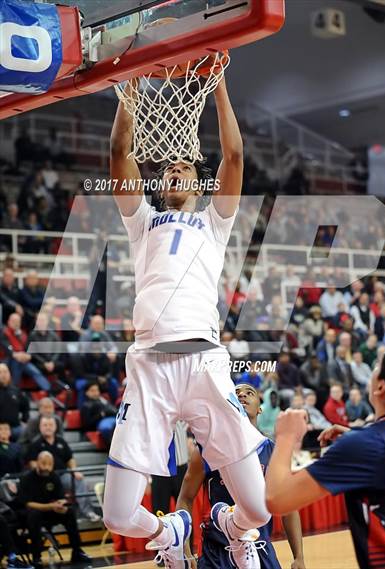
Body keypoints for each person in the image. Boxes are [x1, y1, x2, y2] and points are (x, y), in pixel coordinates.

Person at [103, 75, 270, 569]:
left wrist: (218, 82)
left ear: (199, 183)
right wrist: (130, 90)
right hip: (150, 366)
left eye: (184, 167)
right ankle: (170, 530)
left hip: (204, 364)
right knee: (117, 514)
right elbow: (118, 150)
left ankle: (229, 526)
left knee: (258, 511)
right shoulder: (142, 222)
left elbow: (234, 158)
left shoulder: (215, 224)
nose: (175, 171)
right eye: (168, 167)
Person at [265, 335, 385, 569]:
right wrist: (354, 436)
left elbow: (276, 500)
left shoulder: (365, 446)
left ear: (380, 387)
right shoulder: (371, 443)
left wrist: (286, 437)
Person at [176, 384, 306, 569]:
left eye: (249, 393)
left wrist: (299, 556)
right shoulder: (206, 449)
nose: (243, 395)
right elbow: (185, 499)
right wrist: (185, 551)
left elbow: (288, 507)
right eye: (236, 394)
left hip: (259, 546)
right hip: (217, 553)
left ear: (260, 408)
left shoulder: (272, 450)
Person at [17, 451, 91, 569]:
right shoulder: (27, 478)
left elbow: (60, 498)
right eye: (44, 463)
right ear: (37, 462)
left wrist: (62, 505)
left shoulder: (54, 476)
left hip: (51, 511)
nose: (47, 467)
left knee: (69, 512)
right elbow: (28, 504)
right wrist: (51, 507)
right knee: (34, 516)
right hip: (33, 511)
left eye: (50, 464)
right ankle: (37, 557)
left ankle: (77, 551)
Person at [25, 417, 99, 522]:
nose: (48, 427)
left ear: (55, 427)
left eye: (50, 425)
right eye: (45, 425)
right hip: (46, 477)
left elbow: (70, 458)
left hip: (62, 475)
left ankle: (88, 512)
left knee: (78, 479)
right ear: (40, 427)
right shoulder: (35, 444)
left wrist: (74, 470)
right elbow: (32, 463)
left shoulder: (61, 441)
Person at [0, 364, 29, 441]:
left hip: (15, 428)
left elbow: (25, 406)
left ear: (9, 374)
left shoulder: (16, 390)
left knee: (26, 433)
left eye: (5, 372)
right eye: (0, 372)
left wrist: (24, 420)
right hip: (0, 429)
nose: (3, 375)